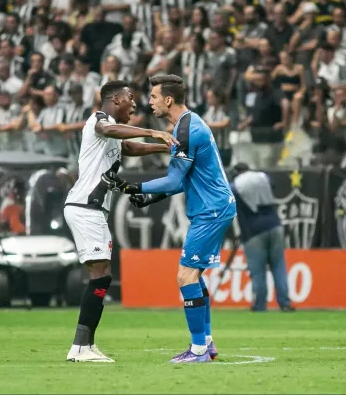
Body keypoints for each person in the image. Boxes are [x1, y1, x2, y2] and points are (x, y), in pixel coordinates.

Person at [109, 74, 237, 363]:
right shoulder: (186, 125)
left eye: (153, 97)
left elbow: (172, 179)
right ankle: (206, 344)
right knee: (194, 276)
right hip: (213, 208)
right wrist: (149, 197)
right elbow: (180, 182)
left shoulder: (188, 129)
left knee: (185, 275)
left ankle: (199, 350)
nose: (149, 101)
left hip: (211, 210)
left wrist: (133, 186)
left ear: (168, 99)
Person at [63, 80, 176, 363]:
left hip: (93, 209)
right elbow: (109, 129)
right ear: (115, 99)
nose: (135, 104)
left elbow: (128, 148)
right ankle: (80, 347)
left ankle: (84, 345)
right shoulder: (99, 121)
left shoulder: (113, 135)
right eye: (130, 98)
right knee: (100, 275)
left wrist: (163, 147)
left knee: (103, 275)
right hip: (85, 206)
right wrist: (153, 131)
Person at [229, 163, 293, 312]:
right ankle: (285, 303)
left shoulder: (235, 186)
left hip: (253, 230)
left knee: (257, 270)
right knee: (279, 266)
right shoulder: (263, 176)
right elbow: (273, 185)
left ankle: (260, 304)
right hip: (274, 225)